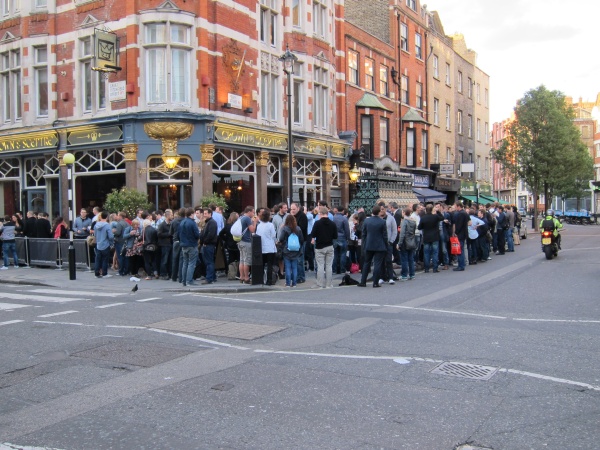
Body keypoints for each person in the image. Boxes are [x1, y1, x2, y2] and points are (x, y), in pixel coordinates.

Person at [358, 205, 388, 288]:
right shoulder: (382, 222)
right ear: (379, 212)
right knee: (377, 264)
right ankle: (375, 282)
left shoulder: (366, 221)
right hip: (379, 245)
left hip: (369, 244)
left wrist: (364, 244)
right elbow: (385, 236)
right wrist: (386, 245)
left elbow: (364, 234)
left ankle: (363, 281)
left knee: (366, 263)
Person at [309, 206, 338, 289]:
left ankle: (320, 284)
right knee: (329, 266)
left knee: (320, 266)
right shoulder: (332, 223)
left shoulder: (317, 223)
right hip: (330, 246)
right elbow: (335, 236)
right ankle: (329, 284)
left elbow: (313, 234)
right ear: (327, 213)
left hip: (320, 247)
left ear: (320, 214)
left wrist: (313, 240)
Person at [278, 214, 304, 288]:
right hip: (296, 250)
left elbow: (281, 238)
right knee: (294, 267)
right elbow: (302, 239)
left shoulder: (284, 228)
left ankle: (288, 283)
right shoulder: (298, 229)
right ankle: (294, 283)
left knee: (288, 267)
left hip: (287, 250)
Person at [418, 204, 443, 273]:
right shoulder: (435, 217)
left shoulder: (423, 218)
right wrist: (438, 211)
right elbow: (442, 218)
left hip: (426, 237)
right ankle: (435, 268)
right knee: (435, 252)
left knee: (426, 253)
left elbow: (419, 227)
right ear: (432, 210)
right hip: (435, 237)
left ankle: (426, 268)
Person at [255, 209, 277, 285]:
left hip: (262, 248)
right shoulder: (270, 225)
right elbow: (273, 235)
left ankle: (261, 280)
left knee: (262, 265)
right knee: (270, 265)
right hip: (270, 247)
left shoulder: (259, 226)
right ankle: (269, 281)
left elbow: (257, 235)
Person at [179, 207, 200, 287]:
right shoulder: (192, 223)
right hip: (192, 244)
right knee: (191, 263)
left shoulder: (182, 222)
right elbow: (197, 234)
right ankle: (189, 281)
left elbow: (179, 234)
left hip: (183, 245)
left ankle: (184, 281)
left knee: (185, 263)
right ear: (192, 214)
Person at [237, 206, 257, 284]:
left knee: (241, 260)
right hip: (246, 241)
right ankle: (246, 278)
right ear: (249, 212)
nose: (254, 214)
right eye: (253, 212)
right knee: (247, 260)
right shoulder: (247, 219)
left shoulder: (241, 217)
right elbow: (252, 230)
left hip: (240, 241)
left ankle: (241, 277)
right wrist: (255, 222)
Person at [199, 208, 218, 284]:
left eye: (206, 213)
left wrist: (205, 242)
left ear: (210, 214)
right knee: (208, 261)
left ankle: (209, 278)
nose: (204, 215)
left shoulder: (212, 223)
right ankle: (212, 277)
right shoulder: (209, 222)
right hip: (207, 244)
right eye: (204, 213)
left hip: (209, 245)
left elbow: (210, 234)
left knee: (209, 262)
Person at [93, 211, 114, 278]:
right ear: (107, 217)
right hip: (105, 244)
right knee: (105, 259)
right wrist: (111, 242)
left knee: (98, 259)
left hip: (98, 244)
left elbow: (95, 235)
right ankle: (104, 273)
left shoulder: (96, 225)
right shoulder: (107, 225)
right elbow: (111, 236)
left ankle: (97, 273)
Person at [291, 203, 308, 283]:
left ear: (298, 208)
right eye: (291, 209)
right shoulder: (292, 216)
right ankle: (296, 276)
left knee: (299, 260)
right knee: (294, 259)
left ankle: (301, 277)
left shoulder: (302, 216)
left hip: (301, 240)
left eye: (294, 209)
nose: (292, 211)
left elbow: (301, 228)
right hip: (293, 240)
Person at [398, 207, 417, 281]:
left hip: (405, 242)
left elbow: (402, 234)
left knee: (404, 259)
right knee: (411, 259)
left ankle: (404, 275)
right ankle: (412, 274)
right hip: (411, 241)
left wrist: (399, 243)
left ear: (404, 213)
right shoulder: (413, 221)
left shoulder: (404, 222)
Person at [452, 202, 471, 271]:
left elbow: (459, 225)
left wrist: (456, 232)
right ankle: (462, 265)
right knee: (461, 249)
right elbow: (469, 222)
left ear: (458, 206)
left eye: (455, 206)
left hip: (460, 234)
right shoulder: (465, 213)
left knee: (460, 250)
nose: (455, 208)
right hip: (464, 233)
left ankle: (461, 265)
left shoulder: (460, 214)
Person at [157, 210, 173, 280]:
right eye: (171, 215)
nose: (172, 216)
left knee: (170, 260)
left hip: (170, 243)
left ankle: (170, 273)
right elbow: (159, 234)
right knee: (164, 260)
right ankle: (163, 274)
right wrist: (168, 234)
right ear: (167, 216)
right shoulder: (162, 225)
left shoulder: (170, 224)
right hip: (164, 244)